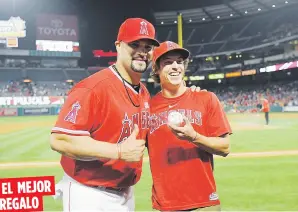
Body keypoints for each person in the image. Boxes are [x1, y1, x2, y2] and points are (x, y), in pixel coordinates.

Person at [49, 17, 160, 212]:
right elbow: (60, 139)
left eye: (148, 46)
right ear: (118, 46)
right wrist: (118, 152)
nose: (143, 52)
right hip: (89, 194)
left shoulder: (143, 92)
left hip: (125, 192)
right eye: (135, 44)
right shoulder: (93, 88)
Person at [147, 41, 233, 211]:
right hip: (166, 205)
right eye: (167, 62)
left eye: (179, 62)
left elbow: (225, 147)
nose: (175, 67)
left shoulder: (206, 99)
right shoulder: (147, 108)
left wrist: (194, 137)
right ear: (156, 69)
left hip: (204, 202)